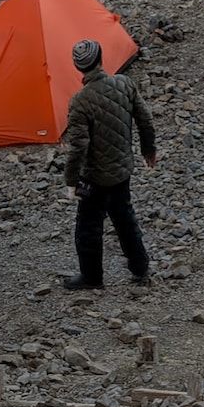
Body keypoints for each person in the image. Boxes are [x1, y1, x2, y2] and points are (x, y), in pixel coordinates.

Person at [62, 38, 156, 290]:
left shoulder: (80, 101)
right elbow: (144, 119)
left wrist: (71, 181)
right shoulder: (124, 83)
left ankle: (92, 278)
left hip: (94, 178)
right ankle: (140, 268)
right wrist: (149, 148)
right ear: (101, 59)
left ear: (78, 67)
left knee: (88, 228)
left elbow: (78, 147)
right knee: (125, 218)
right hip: (123, 169)